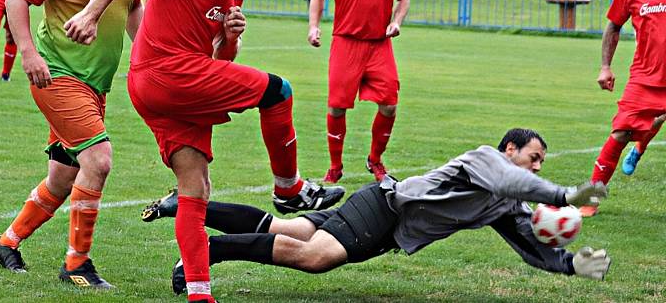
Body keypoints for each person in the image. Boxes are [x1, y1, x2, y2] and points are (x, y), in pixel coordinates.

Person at [64, 0, 345, 303]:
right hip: (167, 74)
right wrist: (91, 12)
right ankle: (289, 190)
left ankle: (199, 292)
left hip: (171, 87)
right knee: (278, 91)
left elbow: (221, 60)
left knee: (195, 189)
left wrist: (229, 38)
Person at [144, 129, 612, 295]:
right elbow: (514, 181)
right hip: (383, 208)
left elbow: (529, 245)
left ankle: (187, 209)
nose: (536, 166)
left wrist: (571, 263)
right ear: (511, 149)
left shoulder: (507, 204)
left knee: (291, 231)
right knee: (315, 257)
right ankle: (205, 251)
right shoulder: (486, 158)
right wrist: (565, 195)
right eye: (533, 156)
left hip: (387, 224)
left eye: (541, 165)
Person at [0, 0, 142, 289]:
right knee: (99, 160)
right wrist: (28, 53)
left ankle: (7, 243)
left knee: (62, 177)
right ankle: (77, 265)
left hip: (97, 85)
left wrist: (146, 57)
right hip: (58, 77)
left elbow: (133, 10)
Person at [308, 0, 410, 184]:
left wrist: (397, 21)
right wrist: (314, 25)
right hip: (346, 43)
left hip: (379, 45)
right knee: (337, 107)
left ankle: (375, 160)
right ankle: (335, 167)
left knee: (389, 105)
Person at [582, 0, 666, 216]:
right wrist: (605, 66)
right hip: (645, 78)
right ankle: (591, 198)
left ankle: (640, 149)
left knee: (655, 120)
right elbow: (614, 26)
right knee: (620, 133)